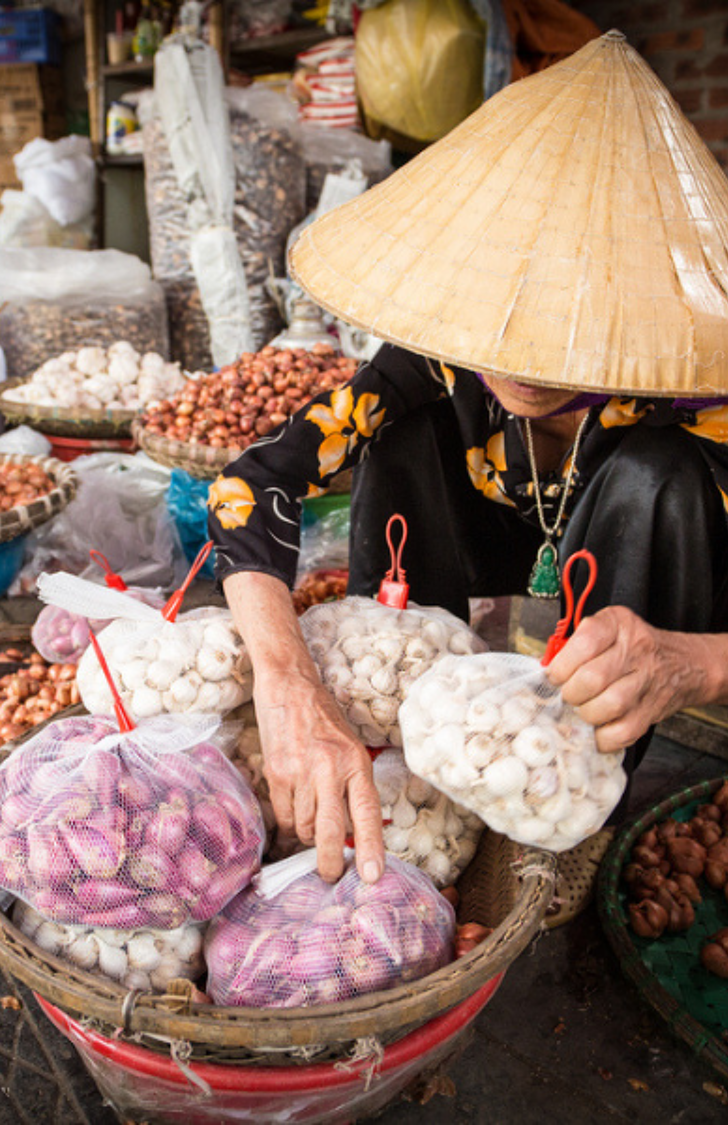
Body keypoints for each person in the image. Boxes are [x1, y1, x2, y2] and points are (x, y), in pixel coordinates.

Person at [204, 32, 728, 886]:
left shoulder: (698, 397)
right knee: (400, 435)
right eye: (504, 311)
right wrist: (286, 680)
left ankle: (580, 790)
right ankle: (409, 741)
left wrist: (694, 664)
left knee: (658, 476)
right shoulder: (437, 359)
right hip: (480, 542)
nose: (521, 356)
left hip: (636, 583)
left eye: (562, 320)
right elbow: (253, 483)